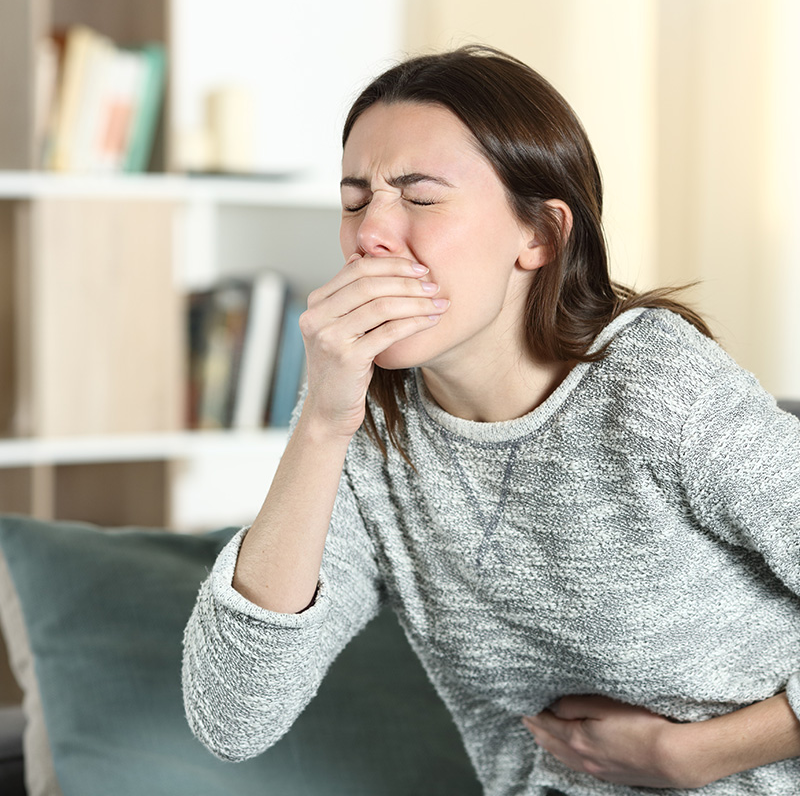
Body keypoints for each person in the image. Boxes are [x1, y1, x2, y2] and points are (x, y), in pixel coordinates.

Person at [182, 46, 800, 794]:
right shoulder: (363, 424)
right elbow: (232, 719)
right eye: (354, 199)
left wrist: (699, 754)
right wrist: (320, 423)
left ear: (540, 236)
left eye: (420, 197)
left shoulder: (658, 384)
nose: (370, 234)